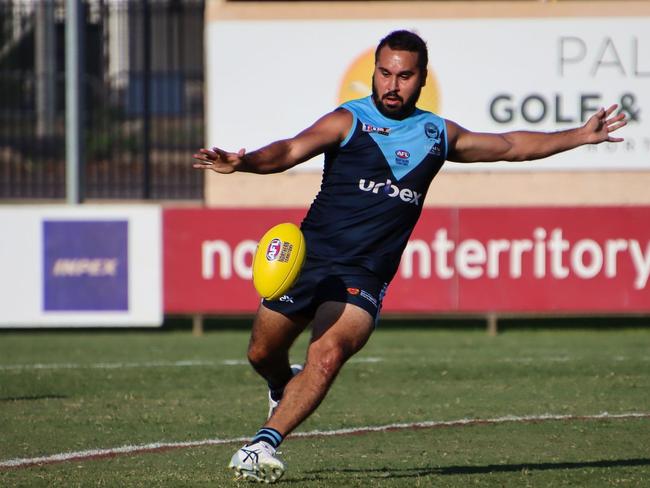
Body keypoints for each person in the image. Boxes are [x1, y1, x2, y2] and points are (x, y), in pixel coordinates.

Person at [192, 30, 626, 483]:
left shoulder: (436, 134)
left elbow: (511, 147)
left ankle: (262, 445)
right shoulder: (349, 120)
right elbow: (288, 151)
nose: (391, 84)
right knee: (262, 353)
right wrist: (244, 162)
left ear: (421, 80)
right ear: (373, 73)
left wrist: (579, 135)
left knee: (328, 353)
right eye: (384, 73)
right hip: (308, 262)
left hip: (364, 275)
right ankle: (282, 386)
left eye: (404, 76)